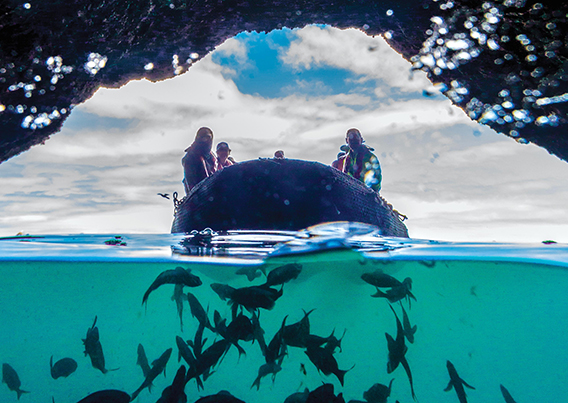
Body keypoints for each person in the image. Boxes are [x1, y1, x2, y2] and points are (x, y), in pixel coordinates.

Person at [182, 127, 217, 195]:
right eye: (202, 138)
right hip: (197, 195)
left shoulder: (212, 157)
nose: (205, 140)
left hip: (211, 192)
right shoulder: (191, 156)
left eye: (207, 138)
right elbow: (191, 182)